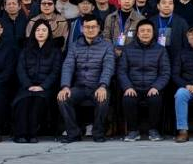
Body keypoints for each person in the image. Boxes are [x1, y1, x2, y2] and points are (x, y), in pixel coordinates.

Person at [57, 14, 115, 143]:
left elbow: (108, 67)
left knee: (103, 98)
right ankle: (73, 133)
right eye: (87, 27)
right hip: (79, 87)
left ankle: (98, 133)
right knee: (63, 98)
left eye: (93, 27)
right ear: (82, 29)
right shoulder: (74, 46)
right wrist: (65, 86)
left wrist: (103, 86)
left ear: (99, 28)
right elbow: (68, 66)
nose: (90, 30)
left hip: (97, 86)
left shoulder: (107, 46)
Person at [117, 19, 170, 141]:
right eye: (142, 31)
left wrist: (156, 87)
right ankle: (133, 131)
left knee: (155, 99)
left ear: (153, 33)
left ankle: (153, 130)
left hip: (152, 87)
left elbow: (165, 72)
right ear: (137, 33)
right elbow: (122, 71)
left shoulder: (161, 50)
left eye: (148, 31)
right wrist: (128, 87)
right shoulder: (128, 49)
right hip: (133, 87)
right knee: (128, 99)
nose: (145, 33)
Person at [12, 20, 62, 143]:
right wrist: (28, 85)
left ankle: (32, 134)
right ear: (33, 32)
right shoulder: (26, 50)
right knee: (23, 101)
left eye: (44, 30)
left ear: (49, 33)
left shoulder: (55, 51)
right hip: (27, 86)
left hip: (45, 87)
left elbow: (55, 71)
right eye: (38, 30)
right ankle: (21, 134)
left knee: (37, 102)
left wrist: (43, 86)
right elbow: (20, 69)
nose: (40, 33)